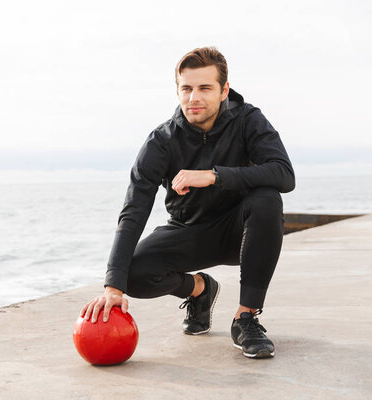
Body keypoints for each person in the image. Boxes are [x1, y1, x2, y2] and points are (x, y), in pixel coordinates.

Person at [80, 47, 295, 359]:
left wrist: (214, 176)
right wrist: (113, 287)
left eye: (205, 88)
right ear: (177, 90)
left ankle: (246, 317)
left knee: (267, 200)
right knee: (132, 273)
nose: (194, 97)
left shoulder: (249, 120)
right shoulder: (162, 141)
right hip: (188, 231)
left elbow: (284, 174)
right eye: (187, 88)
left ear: (224, 91)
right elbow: (134, 210)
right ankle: (200, 290)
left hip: (241, 232)